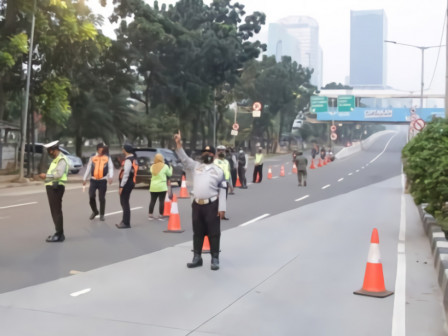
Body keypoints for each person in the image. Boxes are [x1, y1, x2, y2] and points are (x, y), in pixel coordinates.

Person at [174, 130, 227, 271]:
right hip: (197, 205)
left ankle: (215, 258)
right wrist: (179, 144)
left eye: (210, 153)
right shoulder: (196, 166)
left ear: (214, 155)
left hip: (212, 205)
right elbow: (184, 159)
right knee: (197, 232)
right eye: (205, 153)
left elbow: (223, 190)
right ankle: (197, 258)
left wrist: (222, 208)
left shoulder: (218, 170)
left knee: (214, 232)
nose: (207, 155)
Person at [38, 140, 69, 242]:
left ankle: (59, 234)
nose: (49, 153)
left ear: (54, 150)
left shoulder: (61, 160)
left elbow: (59, 174)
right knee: (55, 211)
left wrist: (46, 176)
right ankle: (59, 233)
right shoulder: (56, 159)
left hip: (56, 187)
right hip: (52, 187)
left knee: (56, 211)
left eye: (49, 151)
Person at [83, 142, 114, 221]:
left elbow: (110, 167)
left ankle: (102, 214)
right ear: (98, 149)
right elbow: (89, 167)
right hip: (93, 180)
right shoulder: (93, 156)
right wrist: (84, 178)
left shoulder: (107, 157)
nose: (103, 150)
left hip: (103, 180)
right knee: (91, 196)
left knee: (101, 198)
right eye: (102, 149)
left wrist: (110, 176)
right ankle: (95, 211)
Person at [116, 144, 138, 229]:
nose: (122, 150)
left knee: (124, 202)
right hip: (131, 182)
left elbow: (126, 174)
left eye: (123, 149)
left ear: (126, 150)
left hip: (127, 183)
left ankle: (126, 222)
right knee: (124, 202)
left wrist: (121, 186)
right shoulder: (134, 159)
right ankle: (124, 220)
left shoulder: (129, 160)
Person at [148, 153, 172, 220]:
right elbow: (169, 174)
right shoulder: (165, 166)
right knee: (161, 201)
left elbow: (151, 172)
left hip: (153, 186)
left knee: (152, 201)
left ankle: (150, 215)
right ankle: (160, 215)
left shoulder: (152, 166)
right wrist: (171, 168)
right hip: (162, 187)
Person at [214, 145, 231, 220]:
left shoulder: (226, 162)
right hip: (216, 183)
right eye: (219, 150)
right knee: (216, 199)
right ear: (216, 152)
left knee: (224, 198)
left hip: (225, 183)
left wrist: (230, 185)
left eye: (223, 150)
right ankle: (216, 213)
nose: (221, 152)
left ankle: (222, 214)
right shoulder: (214, 161)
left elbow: (228, 172)